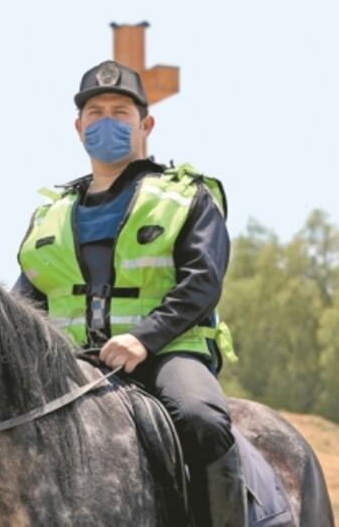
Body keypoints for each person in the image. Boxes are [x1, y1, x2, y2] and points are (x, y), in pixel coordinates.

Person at [13, 61, 244, 526]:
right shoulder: (49, 216)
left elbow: (202, 280)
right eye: (95, 112)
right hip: (70, 363)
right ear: (79, 128)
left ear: (146, 124)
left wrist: (143, 338)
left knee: (202, 419)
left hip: (168, 352)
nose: (107, 121)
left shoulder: (186, 196)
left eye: (121, 111)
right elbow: (23, 306)